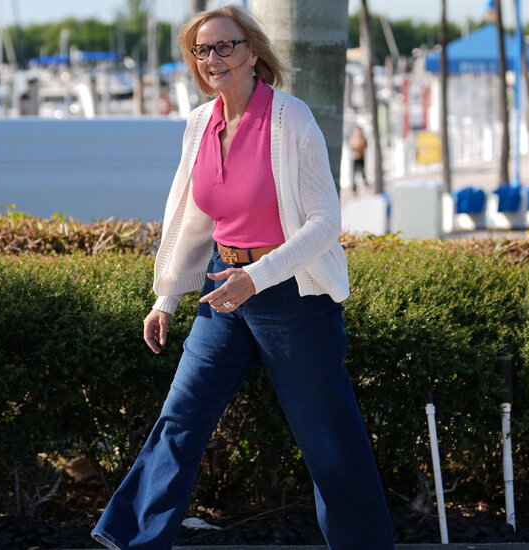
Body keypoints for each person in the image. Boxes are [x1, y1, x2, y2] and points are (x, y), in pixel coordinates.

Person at [91, 6, 395, 550]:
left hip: (292, 296)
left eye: (225, 46)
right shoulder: (199, 124)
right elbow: (191, 216)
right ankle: (133, 542)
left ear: (253, 51)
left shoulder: (290, 119)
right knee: (180, 417)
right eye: (202, 50)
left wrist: (258, 277)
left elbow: (327, 222)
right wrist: (166, 298)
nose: (213, 59)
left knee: (328, 441)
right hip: (221, 291)